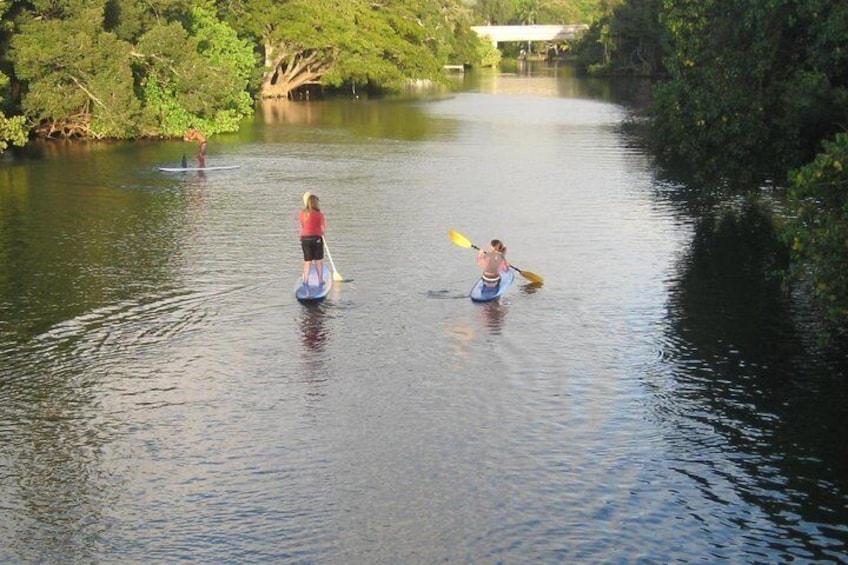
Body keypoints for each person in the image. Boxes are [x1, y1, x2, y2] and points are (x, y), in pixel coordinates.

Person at [298, 191, 326, 287]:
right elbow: (323, 228)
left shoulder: (302, 213)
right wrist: (322, 233)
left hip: (305, 239)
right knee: (318, 261)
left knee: (307, 261)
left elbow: (302, 225)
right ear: (315, 203)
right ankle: (320, 280)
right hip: (316, 239)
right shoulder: (319, 214)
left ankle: (306, 281)